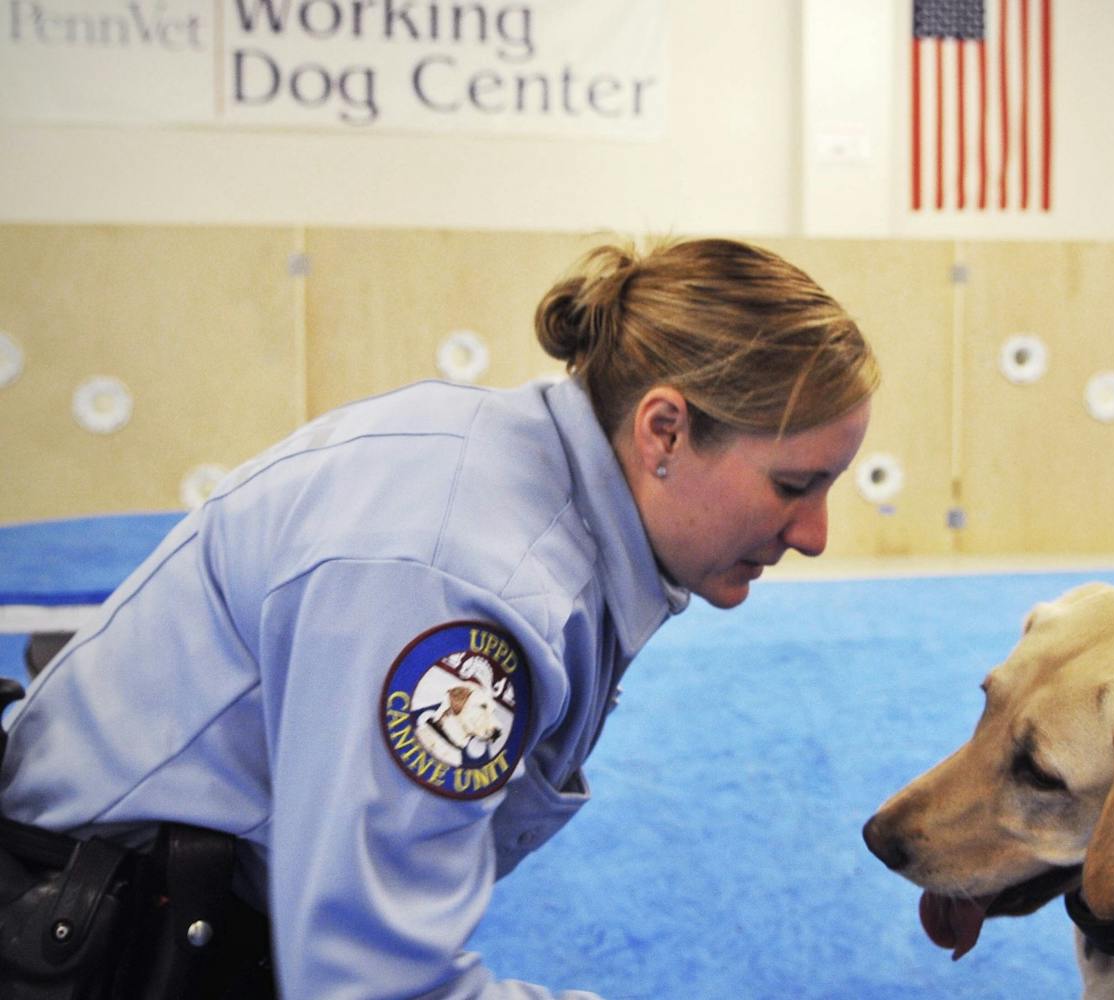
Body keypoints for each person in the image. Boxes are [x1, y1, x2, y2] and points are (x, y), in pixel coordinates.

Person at [0, 237, 878, 998]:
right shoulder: (467, 585)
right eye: (794, 485)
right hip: (92, 945)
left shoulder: (524, 481)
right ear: (664, 432)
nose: (815, 534)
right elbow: (370, 985)